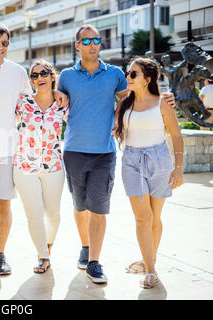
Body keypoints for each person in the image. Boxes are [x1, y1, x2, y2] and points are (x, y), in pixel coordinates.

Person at [57, 24, 175, 284]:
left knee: (98, 208)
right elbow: (55, 99)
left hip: (105, 152)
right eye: (86, 41)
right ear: (77, 45)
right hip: (74, 150)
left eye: (97, 40)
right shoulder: (66, 76)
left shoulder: (114, 75)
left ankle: (94, 262)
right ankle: (85, 247)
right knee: (80, 206)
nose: (93, 44)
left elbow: (132, 99)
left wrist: (164, 101)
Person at [0, 22, 68, 275]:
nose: (0, 48)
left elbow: (33, 100)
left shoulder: (19, 72)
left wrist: (58, 91)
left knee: (4, 205)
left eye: (5, 43)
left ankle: (0, 253)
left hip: (9, 149)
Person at [114, 57, 184, 288]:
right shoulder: (124, 102)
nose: (128, 77)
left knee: (155, 217)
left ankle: (148, 260)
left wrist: (179, 168)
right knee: (143, 217)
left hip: (159, 159)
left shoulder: (163, 103)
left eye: (134, 74)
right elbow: (117, 127)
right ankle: (151, 270)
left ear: (148, 78)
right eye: (128, 73)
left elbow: (175, 135)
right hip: (132, 160)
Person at [13, 59, 68, 273]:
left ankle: (49, 244)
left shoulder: (63, 103)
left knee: (53, 214)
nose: (39, 78)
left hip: (53, 166)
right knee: (34, 214)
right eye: (34, 75)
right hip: (24, 167)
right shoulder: (22, 102)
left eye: (43, 73)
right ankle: (43, 256)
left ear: (52, 75)